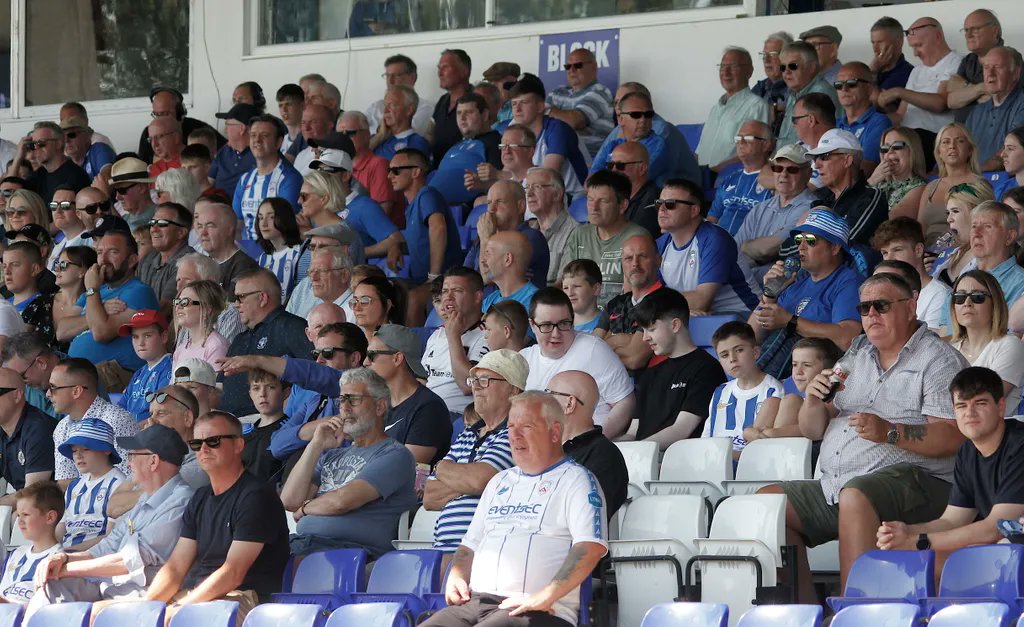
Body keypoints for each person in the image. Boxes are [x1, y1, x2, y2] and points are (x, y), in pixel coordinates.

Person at [759, 272, 968, 600]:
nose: (871, 315)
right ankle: (805, 613)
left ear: (911, 306)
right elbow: (814, 429)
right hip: (842, 484)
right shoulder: (856, 354)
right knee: (768, 504)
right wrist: (813, 400)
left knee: (856, 495)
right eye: (864, 308)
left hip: (923, 485)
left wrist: (891, 433)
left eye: (881, 306)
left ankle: (854, 611)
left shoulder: (938, 359)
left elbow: (951, 435)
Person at [420, 391, 606, 627]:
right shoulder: (499, 482)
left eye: (526, 426)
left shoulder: (577, 481)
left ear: (555, 432)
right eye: (510, 426)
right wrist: (457, 576)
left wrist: (546, 595)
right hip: (476, 602)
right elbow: (469, 546)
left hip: (541, 609)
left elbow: (589, 548)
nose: (515, 435)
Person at [29, 424, 194, 609]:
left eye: (132, 455)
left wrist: (68, 569)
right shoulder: (146, 498)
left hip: (145, 597)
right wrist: (64, 559)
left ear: (153, 461)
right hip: (114, 587)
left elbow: (128, 560)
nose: (128, 462)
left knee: (57, 583)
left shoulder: (181, 501)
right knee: (50, 589)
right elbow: (109, 545)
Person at [144, 411, 289, 620]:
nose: (203, 449)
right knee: (109, 614)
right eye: (196, 443)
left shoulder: (256, 496)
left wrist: (182, 609)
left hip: (247, 600)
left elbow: (233, 573)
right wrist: (147, 608)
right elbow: (176, 567)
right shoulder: (201, 497)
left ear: (238, 445)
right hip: (202, 596)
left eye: (213, 441)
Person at [876, 366, 1024, 558]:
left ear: (1000, 407)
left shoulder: (1019, 445)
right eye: (962, 406)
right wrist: (906, 532)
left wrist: (919, 541)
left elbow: (997, 528)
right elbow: (952, 520)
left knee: (992, 550)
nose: (969, 413)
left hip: (1013, 546)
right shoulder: (968, 451)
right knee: (921, 560)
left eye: (980, 403)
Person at [280, 365, 417, 557]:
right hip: (308, 545)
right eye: (342, 399)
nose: (344, 407)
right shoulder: (331, 455)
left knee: (270, 567)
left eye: (353, 399)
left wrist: (305, 509)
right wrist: (315, 445)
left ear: (379, 406)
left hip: (351, 552)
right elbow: (289, 501)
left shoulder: (395, 455)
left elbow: (341, 502)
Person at [426, 349, 520, 552]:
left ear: (513, 389)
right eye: (474, 380)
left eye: (485, 380)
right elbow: (429, 497)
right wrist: (472, 481)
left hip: (484, 551)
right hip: (443, 548)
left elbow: (479, 480)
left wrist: (442, 469)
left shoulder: (516, 433)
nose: (475, 387)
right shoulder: (467, 434)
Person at [751, 209, 863, 379]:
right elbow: (752, 336)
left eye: (810, 240)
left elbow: (848, 338)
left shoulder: (849, 281)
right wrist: (769, 295)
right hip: (773, 375)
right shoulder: (796, 279)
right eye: (798, 239)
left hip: (810, 381)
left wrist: (790, 321)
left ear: (834, 247)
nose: (801, 247)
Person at [521, 288, 635, 435]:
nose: (556, 334)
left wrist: (594, 441)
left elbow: (625, 402)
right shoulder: (523, 359)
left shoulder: (594, 350)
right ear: (532, 325)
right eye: (546, 326)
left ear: (573, 320)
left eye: (564, 324)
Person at [632, 288, 726, 448]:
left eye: (652, 329)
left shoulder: (707, 369)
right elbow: (633, 432)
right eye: (644, 330)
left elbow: (682, 430)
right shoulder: (649, 374)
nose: (645, 337)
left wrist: (639, 451)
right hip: (643, 461)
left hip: (680, 463)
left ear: (675, 325)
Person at [62, 230, 159, 383]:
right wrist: (101, 309)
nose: (103, 259)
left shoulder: (139, 291)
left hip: (112, 375)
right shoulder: (95, 292)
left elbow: (101, 332)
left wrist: (92, 292)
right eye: (100, 252)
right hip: (81, 373)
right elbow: (62, 330)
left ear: (132, 260)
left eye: (113, 252)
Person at [656, 178, 760, 315]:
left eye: (670, 204)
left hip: (743, 316)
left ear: (694, 210)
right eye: (659, 203)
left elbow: (701, 302)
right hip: (696, 316)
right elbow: (652, 292)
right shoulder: (660, 244)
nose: (662, 209)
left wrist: (656, 302)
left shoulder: (715, 239)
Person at [220, 268, 314, 418]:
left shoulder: (292, 327)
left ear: (262, 298)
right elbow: (220, 385)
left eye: (240, 297)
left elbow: (313, 374)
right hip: (227, 422)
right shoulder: (240, 338)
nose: (236, 304)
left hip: (269, 422)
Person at [779, 129, 887, 257]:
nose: (817, 165)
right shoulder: (820, 199)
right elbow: (785, 249)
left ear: (847, 160)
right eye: (815, 158)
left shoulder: (871, 197)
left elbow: (841, 244)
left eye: (824, 157)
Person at [877, 18, 963, 169]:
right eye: (912, 47)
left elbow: (941, 103)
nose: (915, 53)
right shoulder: (917, 71)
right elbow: (900, 115)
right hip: (907, 138)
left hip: (934, 139)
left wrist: (899, 92)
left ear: (937, 36)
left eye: (919, 45)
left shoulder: (957, 62)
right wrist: (873, 118)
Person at [363, 325, 453, 465]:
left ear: (397, 359)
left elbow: (403, 469)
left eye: (371, 355)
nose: (365, 362)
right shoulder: (378, 403)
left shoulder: (429, 409)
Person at [562, 170, 648, 308]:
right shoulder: (579, 235)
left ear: (622, 206)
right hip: (582, 317)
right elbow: (567, 284)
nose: (594, 207)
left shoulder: (637, 238)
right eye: (590, 199)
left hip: (619, 319)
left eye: (603, 201)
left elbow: (635, 295)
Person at [498, 74, 591, 200]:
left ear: (541, 106)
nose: (517, 109)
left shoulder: (557, 129)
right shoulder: (516, 131)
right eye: (514, 104)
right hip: (540, 196)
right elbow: (510, 173)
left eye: (524, 102)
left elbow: (545, 179)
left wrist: (497, 175)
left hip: (572, 197)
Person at [548, 370, 628, 517]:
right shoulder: (544, 450)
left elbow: (590, 515)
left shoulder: (604, 455)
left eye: (548, 394)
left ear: (569, 404)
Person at [47, 358, 137, 484]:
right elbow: (66, 483)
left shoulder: (116, 420)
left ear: (76, 391)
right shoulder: (61, 427)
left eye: (53, 387)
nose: (48, 394)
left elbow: (129, 481)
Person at [592, 84, 701, 187]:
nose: (618, 107)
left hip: (673, 197)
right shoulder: (617, 134)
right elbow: (593, 177)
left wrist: (604, 184)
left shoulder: (660, 133)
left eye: (647, 114)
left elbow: (637, 179)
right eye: (616, 102)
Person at [735, 145, 816, 282]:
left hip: (780, 288)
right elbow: (734, 249)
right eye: (778, 168)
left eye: (792, 170)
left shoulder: (811, 207)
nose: (783, 174)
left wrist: (745, 246)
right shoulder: (760, 208)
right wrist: (746, 249)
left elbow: (769, 249)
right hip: (745, 282)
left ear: (808, 174)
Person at [948, 270, 1024, 414]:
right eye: (959, 297)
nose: (967, 303)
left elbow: (982, 403)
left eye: (978, 297)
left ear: (995, 303)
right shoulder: (949, 350)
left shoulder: (1010, 346)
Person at [702, 322, 783, 456]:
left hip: (749, 463)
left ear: (756, 352)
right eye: (724, 355)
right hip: (715, 461)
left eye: (739, 350)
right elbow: (706, 437)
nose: (732, 359)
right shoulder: (720, 392)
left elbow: (765, 446)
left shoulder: (773, 390)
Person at [423, 267, 490, 414]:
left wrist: (453, 337)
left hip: (458, 416)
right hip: (427, 412)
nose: (448, 297)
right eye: (445, 291)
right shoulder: (437, 334)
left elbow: (468, 385)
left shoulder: (489, 335)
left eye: (457, 291)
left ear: (477, 297)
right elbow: (424, 379)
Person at [751, 337, 843, 441]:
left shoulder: (830, 394)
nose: (798, 371)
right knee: (772, 401)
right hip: (772, 441)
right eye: (794, 365)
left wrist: (773, 433)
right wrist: (750, 432)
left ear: (827, 371)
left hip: (807, 450)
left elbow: (821, 426)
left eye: (807, 365)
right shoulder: (789, 386)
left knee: (792, 400)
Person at [696, 47, 772, 171]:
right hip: (701, 178)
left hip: (729, 178)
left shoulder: (756, 106)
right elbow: (700, 152)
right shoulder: (715, 109)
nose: (726, 73)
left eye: (733, 67)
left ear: (749, 71)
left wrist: (717, 170)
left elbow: (757, 152)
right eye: (722, 67)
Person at [872, 217, 951, 333]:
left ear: (918, 250)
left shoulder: (940, 294)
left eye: (897, 250)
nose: (889, 258)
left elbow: (932, 345)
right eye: (885, 253)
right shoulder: (884, 295)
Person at [55, 418, 125, 550]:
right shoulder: (74, 486)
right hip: (65, 554)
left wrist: (69, 552)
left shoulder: (118, 484)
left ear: (106, 450)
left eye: (86, 449)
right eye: (74, 451)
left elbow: (110, 538)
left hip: (94, 558)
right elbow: (61, 528)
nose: (78, 456)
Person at [466, 180, 549, 290]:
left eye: (499, 202)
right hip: (484, 304)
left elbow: (488, 276)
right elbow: (464, 279)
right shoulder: (483, 237)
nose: (491, 209)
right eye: (489, 203)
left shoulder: (530, 238)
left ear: (520, 206)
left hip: (515, 306)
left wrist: (486, 239)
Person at [233, 115, 302, 240]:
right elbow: (237, 226)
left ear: (278, 142)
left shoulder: (289, 179)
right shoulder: (245, 179)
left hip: (276, 251)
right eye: (253, 135)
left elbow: (285, 227)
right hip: (247, 251)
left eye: (264, 135)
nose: (257, 140)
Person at [429, 93, 502, 207]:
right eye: (459, 113)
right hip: (434, 204)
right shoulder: (457, 144)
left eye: (469, 112)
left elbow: (498, 182)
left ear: (485, 115)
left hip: (464, 208)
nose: (462, 118)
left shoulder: (494, 142)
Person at [947, 10, 1017, 123]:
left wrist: (965, 87)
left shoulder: (1010, 59)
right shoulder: (968, 61)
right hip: (963, 136)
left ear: (995, 31)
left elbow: (1003, 104)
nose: (968, 35)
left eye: (975, 29)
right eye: (966, 30)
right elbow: (951, 101)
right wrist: (981, 88)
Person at [706, 120, 774, 235]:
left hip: (752, 247)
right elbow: (712, 219)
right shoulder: (729, 179)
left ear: (766, 144)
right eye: (738, 139)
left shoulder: (777, 179)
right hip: (720, 245)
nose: (741, 143)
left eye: (748, 138)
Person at [545, 47, 615, 158]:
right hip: (559, 155)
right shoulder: (557, 93)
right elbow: (541, 123)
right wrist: (575, 129)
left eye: (578, 65)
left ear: (594, 67)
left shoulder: (600, 91)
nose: (572, 70)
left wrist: (548, 111)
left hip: (589, 160)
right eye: (568, 66)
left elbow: (574, 121)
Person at [0, 482, 63, 604]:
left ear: (50, 517)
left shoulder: (59, 559)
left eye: (26, 515)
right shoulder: (16, 554)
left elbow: (48, 610)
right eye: (18, 515)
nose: (20, 521)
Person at [0, 366, 55, 503]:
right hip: (27, 507)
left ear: (17, 395)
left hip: (51, 509)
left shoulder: (39, 429)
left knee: (16, 518)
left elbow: (31, 494)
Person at [964, 47, 1024, 170]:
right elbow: (962, 148)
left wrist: (976, 174)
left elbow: (1012, 149)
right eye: (986, 68)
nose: (990, 74)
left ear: (1016, 73)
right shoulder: (977, 112)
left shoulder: (1021, 103)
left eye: (997, 67)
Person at [139, 87, 224, 164]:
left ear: (179, 111)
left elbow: (225, 151)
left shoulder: (199, 129)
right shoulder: (148, 134)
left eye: (164, 113)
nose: (160, 119)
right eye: (156, 114)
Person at [11, 122, 90, 204]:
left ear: (58, 144)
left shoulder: (75, 175)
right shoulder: (40, 174)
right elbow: (10, 192)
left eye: (41, 143)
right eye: (33, 145)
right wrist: (18, 157)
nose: (36, 148)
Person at [193, 200, 261, 295]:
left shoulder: (244, 267)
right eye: (200, 226)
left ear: (229, 229)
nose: (203, 233)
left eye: (210, 226)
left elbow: (235, 308)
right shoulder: (203, 264)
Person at [932, 181, 994, 284]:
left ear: (978, 214)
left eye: (955, 211)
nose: (949, 219)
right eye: (948, 213)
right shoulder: (955, 252)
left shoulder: (992, 254)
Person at [777, 41, 839, 145]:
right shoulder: (794, 93)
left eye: (793, 66)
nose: (786, 72)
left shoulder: (821, 93)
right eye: (783, 67)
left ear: (811, 67)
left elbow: (819, 141)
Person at [524, 167, 577, 286]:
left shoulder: (574, 233)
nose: (529, 193)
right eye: (527, 187)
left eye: (537, 187)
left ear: (557, 194)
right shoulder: (526, 232)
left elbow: (564, 285)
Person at [836, 62, 892, 173]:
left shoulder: (879, 122)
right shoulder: (834, 123)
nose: (844, 89)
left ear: (869, 88)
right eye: (838, 85)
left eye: (852, 83)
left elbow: (866, 168)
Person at [117, 310, 173, 423]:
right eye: (135, 337)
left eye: (147, 335)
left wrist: (129, 431)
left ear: (164, 337)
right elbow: (120, 410)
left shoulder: (170, 368)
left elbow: (160, 417)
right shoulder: (138, 374)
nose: (140, 343)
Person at [966, 200, 1024, 307]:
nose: (976, 233)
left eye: (987, 226)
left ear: (1009, 237)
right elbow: (944, 322)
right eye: (974, 226)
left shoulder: (1021, 284)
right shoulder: (964, 275)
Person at [138, 202, 195, 307]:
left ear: (181, 232)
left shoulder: (189, 262)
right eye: (152, 223)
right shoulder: (147, 259)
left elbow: (165, 309)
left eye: (162, 223)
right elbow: (133, 297)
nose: (154, 229)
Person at [366, 54, 435, 139]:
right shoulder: (375, 107)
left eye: (396, 75)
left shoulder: (425, 107)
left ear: (413, 78)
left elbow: (404, 133)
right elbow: (359, 134)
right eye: (388, 76)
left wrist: (378, 134)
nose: (390, 81)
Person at [867, 127, 929, 220]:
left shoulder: (920, 188)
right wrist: (871, 181)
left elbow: (892, 223)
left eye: (897, 146)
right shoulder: (878, 185)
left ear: (913, 150)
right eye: (885, 148)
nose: (890, 151)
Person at [3, 241, 54, 347]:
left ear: (34, 269)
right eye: (4, 266)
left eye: (15, 265)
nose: (7, 271)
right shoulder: (2, 304)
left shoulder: (44, 304)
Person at [242, 369, 288, 483]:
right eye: (256, 388)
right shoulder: (244, 433)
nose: (262, 394)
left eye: (271, 387)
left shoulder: (290, 431)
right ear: (250, 394)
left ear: (286, 392)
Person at [172, 280, 229, 370]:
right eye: (177, 302)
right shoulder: (180, 349)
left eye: (185, 302)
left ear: (206, 309)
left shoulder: (216, 346)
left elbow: (215, 384)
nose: (178, 307)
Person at [479, 231, 539, 314]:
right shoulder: (490, 300)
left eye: (488, 253)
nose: (482, 260)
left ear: (507, 259)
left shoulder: (535, 303)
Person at [373, 86, 434, 165]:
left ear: (409, 110)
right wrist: (380, 136)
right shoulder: (377, 139)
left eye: (392, 105)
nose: (386, 111)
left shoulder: (416, 143)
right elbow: (356, 158)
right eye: (385, 105)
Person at [432, 49, 474, 166]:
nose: (440, 73)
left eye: (445, 67)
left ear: (464, 71)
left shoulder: (476, 100)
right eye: (439, 68)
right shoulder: (442, 101)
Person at [254, 198, 302, 298]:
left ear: (285, 218)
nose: (264, 224)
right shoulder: (263, 258)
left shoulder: (299, 252)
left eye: (271, 217)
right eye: (260, 218)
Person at [208, 103, 258, 195]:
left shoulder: (260, 154)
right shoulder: (224, 151)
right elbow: (209, 182)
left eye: (227, 124)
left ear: (242, 129)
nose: (225, 130)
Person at [754, 32, 793, 135]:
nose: (766, 60)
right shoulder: (759, 88)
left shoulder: (796, 87)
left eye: (772, 54)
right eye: (764, 55)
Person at [60, 116, 115, 181]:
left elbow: (107, 178)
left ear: (87, 136)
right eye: (62, 136)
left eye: (71, 135)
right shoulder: (66, 163)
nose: (66, 140)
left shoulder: (99, 150)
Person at [561, 260, 607, 337]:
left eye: (576, 286)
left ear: (596, 289)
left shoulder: (607, 325)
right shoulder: (558, 324)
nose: (570, 293)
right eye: (565, 288)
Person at [107, 157, 156, 230]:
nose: (117, 197)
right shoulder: (124, 218)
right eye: (115, 191)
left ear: (141, 187)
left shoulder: (159, 216)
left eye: (122, 190)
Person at [47, 186, 88, 272]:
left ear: (79, 207)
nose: (58, 210)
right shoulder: (59, 245)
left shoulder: (89, 241)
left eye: (65, 205)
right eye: (53, 205)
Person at [870, 17, 915, 92]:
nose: (875, 48)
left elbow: (878, 101)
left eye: (880, 42)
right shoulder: (877, 68)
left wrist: (872, 72)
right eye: (873, 42)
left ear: (898, 42)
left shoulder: (907, 73)